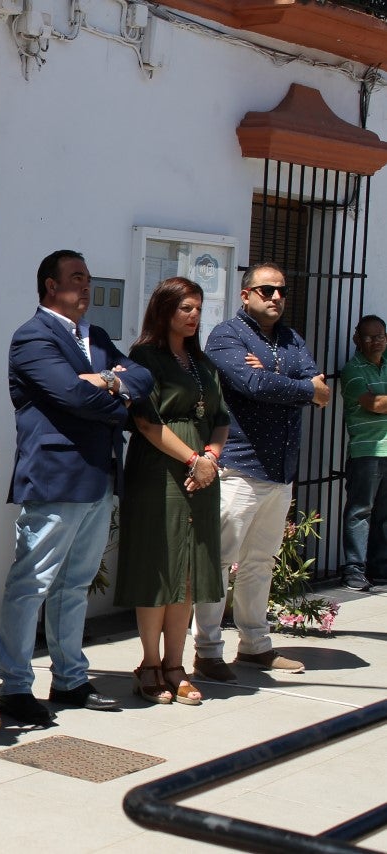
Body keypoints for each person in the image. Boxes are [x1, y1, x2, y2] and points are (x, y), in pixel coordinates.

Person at [0, 249, 153, 726]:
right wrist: (115, 394)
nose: (86, 287)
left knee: (76, 583)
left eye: (87, 278)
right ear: (49, 286)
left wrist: (104, 381)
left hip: (99, 475)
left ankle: (70, 679)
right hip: (56, 477)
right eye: (76, 278)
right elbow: (70, 395)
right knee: (33, 582)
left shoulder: (97, 337)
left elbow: (143, 377)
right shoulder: (32, 337)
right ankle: (15, 685)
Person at [193, 263, 329, 681]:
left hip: (280, 469)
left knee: (260, 563)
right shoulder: (227, 336)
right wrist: (298, 386)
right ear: (245, 294)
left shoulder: (290, 338)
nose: (275, 297)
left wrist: (278, 376)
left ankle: (254, 645)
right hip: (240, 465)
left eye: (281, 291)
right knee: (219, 559)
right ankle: (208, 651)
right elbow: (253, 385)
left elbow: (320, 384)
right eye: (266, 290)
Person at [114, 277, 230, 706]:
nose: (194, 315)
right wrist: (192, 460)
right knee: (158, 564)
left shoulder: (203, 363)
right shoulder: (144, 357)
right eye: (186, 308)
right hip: (160, 471)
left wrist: (211, 459)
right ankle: (148, 663)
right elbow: (146, 422)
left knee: (187, 571)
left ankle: (175, 665)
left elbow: (220, 417)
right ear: (164, 310)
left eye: (198, 308)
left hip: (202, 473)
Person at [337, 314, 387, 591]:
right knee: (360, 511)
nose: (375, 341)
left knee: (384, 513)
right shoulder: (352, 369)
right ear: (357, 339)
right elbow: (375, 403)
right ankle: (354, 570)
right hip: (366, 451)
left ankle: (380, 568)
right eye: (368, 337)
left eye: (379, 336)